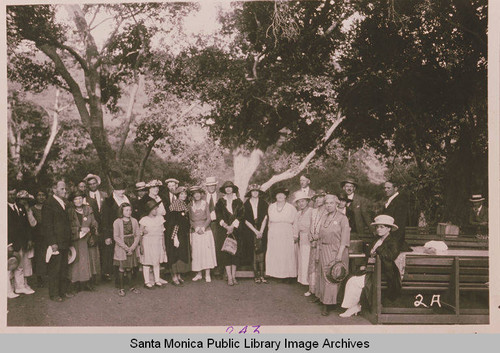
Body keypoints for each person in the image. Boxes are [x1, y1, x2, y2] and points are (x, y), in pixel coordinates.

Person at [339, 215, 402, 318]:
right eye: (377, 227)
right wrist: (365, 264)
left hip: (385, 272)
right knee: (351, 278)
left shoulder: (393, 241)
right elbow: (369, 254)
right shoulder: (376, 239)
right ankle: (353, 306)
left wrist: (377, 250)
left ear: (389, 228)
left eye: (382, 227)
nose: (378, 229)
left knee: (355, 282)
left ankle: (355, 307)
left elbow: (390, 256)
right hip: (372, 269)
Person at [317, 194, 350, 316]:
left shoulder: (343, 218)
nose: (328, 205)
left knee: (332, 276)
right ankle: (324, 299)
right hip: (324, 248)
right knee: (323, 274)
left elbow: (345, 238)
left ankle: (329, 304)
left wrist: (339, 254)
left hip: (336, 250)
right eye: (326, 203)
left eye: (331, 203)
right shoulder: (324, 216)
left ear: (337, 204)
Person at [42, 180, 73, 302]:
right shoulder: (49, 203)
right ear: (54, 189)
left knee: (63, 268)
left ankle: (62, 291)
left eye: (65, 189)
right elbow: (47, 225)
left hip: (64, 241)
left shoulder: (63, 202)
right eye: (62, 189)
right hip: (56, 242)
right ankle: (54, 294)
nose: (64, 191)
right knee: (55, 269)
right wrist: (52, 242)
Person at [67, 190, 99, 292]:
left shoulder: (88, 209)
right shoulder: (70, 211)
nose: (78, 200)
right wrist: (79, 230)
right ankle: (75, 283)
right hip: (76, 239)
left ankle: (86, 282)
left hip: (88, 239)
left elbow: (94, 223)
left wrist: (92, 230)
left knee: (87, 260)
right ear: (73, 201)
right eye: (76, 199)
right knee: (77, 261)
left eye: (80, 198)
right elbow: (67, 226)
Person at [7, 187, 36, 297]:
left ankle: (20, 287)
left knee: (19, 266)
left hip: (21, 241)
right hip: (11, 243)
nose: (12, 197)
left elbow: (27, 226)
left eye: (13, 194)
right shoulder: (4, 208)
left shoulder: (20, 207)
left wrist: (28, 239)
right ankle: (8, 290)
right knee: (9, 266)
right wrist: (8, 244)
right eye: (9, 194)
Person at [265, 187, 298, 283]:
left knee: (286, 253)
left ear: (285, 196)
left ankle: (287, 275)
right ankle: (276, 274)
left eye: (282, 194)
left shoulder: (291, 208)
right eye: (278, 194)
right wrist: (269, 233)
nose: (280, 196)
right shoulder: (271, 207)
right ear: (275, 196)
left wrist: (295, 235)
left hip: (286, 232)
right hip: (274, 232)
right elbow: (269, 222)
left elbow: (295, 222)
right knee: (275, 253)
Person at [215, 181, 244, 286]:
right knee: (226, 253)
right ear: (224, 190)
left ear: (233, 189)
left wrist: (232, 226)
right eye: (226, 187)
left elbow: (241, 215)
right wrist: (226, 226)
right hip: (224, 230)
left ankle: (234, 276)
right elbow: (218, 216)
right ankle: (229, 277)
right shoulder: (220, 202)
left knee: (235, 253)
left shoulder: (239, 202)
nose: (228, 189)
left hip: (236, 230)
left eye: (230, 187)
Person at [84, 173, 110, 281]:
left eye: (94, 183)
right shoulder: (86, 197)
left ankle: (105, 273)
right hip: (92, 225)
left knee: (105, 250)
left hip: (104, 225)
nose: (93, 186)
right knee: (92, 250)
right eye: (90, 184)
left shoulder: (104, 194)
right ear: (88, 186)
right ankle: (92, 275)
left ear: (97, 184)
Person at [189, 186, 217, 283]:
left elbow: (209, 218)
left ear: (201, 194)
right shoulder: (190, 205)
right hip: (195, 232)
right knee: (197, 253)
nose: (196, 195)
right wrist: (196, 228)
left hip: (205, 231)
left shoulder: (205, 203)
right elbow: (190, 220)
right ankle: (199, 274)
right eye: (194, 193)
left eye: (198, 193)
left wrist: (203, 228)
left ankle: (207, 274)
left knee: (206, 252)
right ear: (192, 195)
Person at [242, 184, 269, 284]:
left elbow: (265, 217)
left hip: (262, 229)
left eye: (257, 191)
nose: (255, 193)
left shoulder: (264, 203)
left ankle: (262, 275)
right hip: (250, 230)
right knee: (254, 252)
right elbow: (245, 220)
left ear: (259, 193)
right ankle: (256, 275)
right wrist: (255, 231)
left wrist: (261, 231)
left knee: (261, 251)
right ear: (250, 193)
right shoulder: (246, 204)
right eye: (253, 191)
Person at [113, 203, 141, 296]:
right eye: (126, 210)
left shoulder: (134, 221)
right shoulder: (117, 222)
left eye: (130, 210)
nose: (129, 212)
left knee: (129, 268)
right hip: (122, 246)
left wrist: (132, 247)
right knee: (122, 268)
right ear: (122, 211)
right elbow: (116, 237)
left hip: (132, 245)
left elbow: (137, 235)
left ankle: (131, 287)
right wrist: (125, 247)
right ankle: (121, 288)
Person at [165, 186, 191, 286]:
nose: (184, 195)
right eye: (181, 194)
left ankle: (179, 275)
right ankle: (174, 276)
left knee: (180, 254)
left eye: (185, 194)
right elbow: (172, 223)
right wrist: (175, 237)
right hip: (174, 233)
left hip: (182, 233)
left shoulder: (184, 204)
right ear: (177, 195)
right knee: (174, 254)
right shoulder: (174, 205)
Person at [139, 200, 168, 288]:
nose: (156, 211)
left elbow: (162, 233)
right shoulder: (144, 220)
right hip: (148, 242)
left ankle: (157, 280)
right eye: (154, 209)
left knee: (156, 261)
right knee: (147, 262)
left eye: (156, 209)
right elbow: (140, 233)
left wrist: (163, 244)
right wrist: (141, 246)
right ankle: (147, 281)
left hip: (157, 242)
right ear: (149, 210)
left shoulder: (160, 219)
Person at [307, 189, 327, 303]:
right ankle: (312, 289)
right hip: (313, 241)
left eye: (321, 197)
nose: (319, 199)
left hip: (321, 241)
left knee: (320, 264)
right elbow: (311, 225)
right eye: (317, 198)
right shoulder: (313, 211)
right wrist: (311, 236)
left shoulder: (327, 211)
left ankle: (320, 292)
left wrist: (317, 236)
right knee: (312, 265)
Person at [205, 176, 224, 279]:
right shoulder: (203, 197)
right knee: (207, 246)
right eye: (209, 186)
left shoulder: (221, 197)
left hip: (218, 224)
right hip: (207, 224)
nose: (211, 187)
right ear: (206, 187)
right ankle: (208, 269)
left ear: (216, 186)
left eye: (213, 185)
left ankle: (219, 269)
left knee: (218, 244)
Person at [294, 191, 313, 293]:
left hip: (309, 239)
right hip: (301, 239)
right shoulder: (298, 214)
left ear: (307, 202)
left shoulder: (312, 211)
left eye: (303, 201)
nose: (301, 203)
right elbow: (296, 227)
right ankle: (306, 283)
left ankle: (311, 286)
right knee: (303, 260)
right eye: (299, 202)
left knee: (309, 260)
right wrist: (295, 236)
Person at [382, 180, 410, 250]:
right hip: (387, 238)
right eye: (385, 188)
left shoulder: (400, 201)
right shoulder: (390, 200)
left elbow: (399, 225)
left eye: (388, 188)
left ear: (396, 188)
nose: (386, 190)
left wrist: (393, 243)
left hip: (394, 241)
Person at [32, 190, 47, 288]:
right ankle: (39, 278)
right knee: (39, 257)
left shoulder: (48, 207)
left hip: (47, 235)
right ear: (36, 197)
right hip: (38, 236)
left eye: (43, 195)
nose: (41, 197)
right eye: (39, 195)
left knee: (48, 255)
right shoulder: (32, 209)